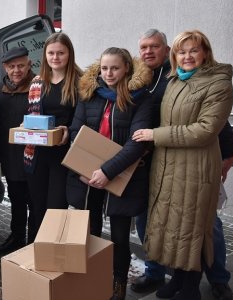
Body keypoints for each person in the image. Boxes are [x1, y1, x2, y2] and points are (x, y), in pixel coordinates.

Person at [132, 29, 233, 300]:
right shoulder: (165, 79)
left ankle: (209, 282)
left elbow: (210, 127)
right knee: (170, 225)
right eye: (183, 52)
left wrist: (229, 154)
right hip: (166, 164)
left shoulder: (215, 81)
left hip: (196, 165)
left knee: (199, 226)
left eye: (194, 50)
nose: (188, 56)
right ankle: (174, 278)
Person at [66, 47, 152, 300]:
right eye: (104, 68)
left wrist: (107, 171)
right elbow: (75, 131)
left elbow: (137, 143)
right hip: (88, 176)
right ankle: (93, 279)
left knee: (119, 238)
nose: (109, 73)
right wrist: (82, 168)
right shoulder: (89, 94)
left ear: (127, 67)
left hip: (122, 177)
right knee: (90, 232)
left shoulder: (140, 98)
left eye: (115, 67)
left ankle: (118, 285)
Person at [24, 32, 81, 243]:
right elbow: (32, 114)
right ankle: (34, 251)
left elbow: (85, 118)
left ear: (69, 54)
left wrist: (70, 128)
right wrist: (26, 124)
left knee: (56, 207)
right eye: (51, 53)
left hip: (63, 155)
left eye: (60, 53)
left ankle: (53, 251)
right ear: (45, 55)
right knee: (36, 206)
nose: (55, 57)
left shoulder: (79, 82)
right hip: (36, 153)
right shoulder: (37, 82)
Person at [0, 47, 34, 254]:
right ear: (5, 68)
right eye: (11, 66)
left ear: (29, 65)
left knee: (35, 202)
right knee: (17, 200)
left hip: (35, 156)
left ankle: (35, 240)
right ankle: (17, 237)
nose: (16, 70)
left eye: (20, 65)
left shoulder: (40, 87)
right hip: (11, 156)